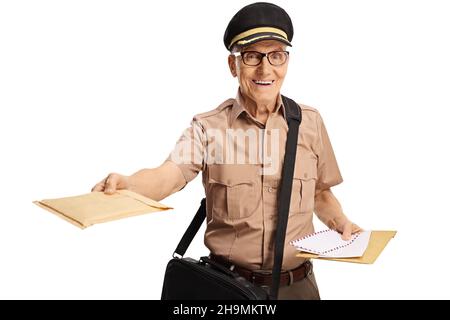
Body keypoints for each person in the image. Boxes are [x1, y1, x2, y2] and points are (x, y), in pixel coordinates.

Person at [92, 2, 361, 300]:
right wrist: (129, 184)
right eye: (252, 56)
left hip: (300, 288)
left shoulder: (310, 122)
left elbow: (320, 193)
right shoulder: (208, 128)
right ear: (233, 65)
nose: (266, 68)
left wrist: (341, 223)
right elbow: (168, 175)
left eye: (276, 56)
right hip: (228, 290)